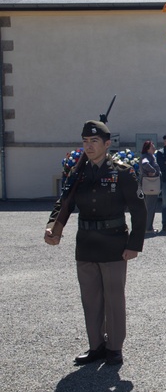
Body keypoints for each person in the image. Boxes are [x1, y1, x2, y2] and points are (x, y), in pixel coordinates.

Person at [43, 120, 147, 366]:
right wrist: (53, 226)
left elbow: (139, 210)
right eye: (85, 141)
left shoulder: (121, 172)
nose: (88, 146)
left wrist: (134, 245)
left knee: (113, 298)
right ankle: (96, 346)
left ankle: (114, 348)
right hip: (86, 243)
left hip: (113, 244)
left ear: (107, 144)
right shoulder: (77, 172)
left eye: (94, 142)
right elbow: (64, 202)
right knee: (90, 299)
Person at [139, 140, 161, 232]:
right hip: (150, 184)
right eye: (152, 146)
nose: (154, 148)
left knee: (150, 206)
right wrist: (153, 171)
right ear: (147, 149)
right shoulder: (145, 157)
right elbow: (145, 164)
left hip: (151, 184)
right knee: (150, 206)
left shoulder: (151, 156)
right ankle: (147, 227)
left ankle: (149, 226)